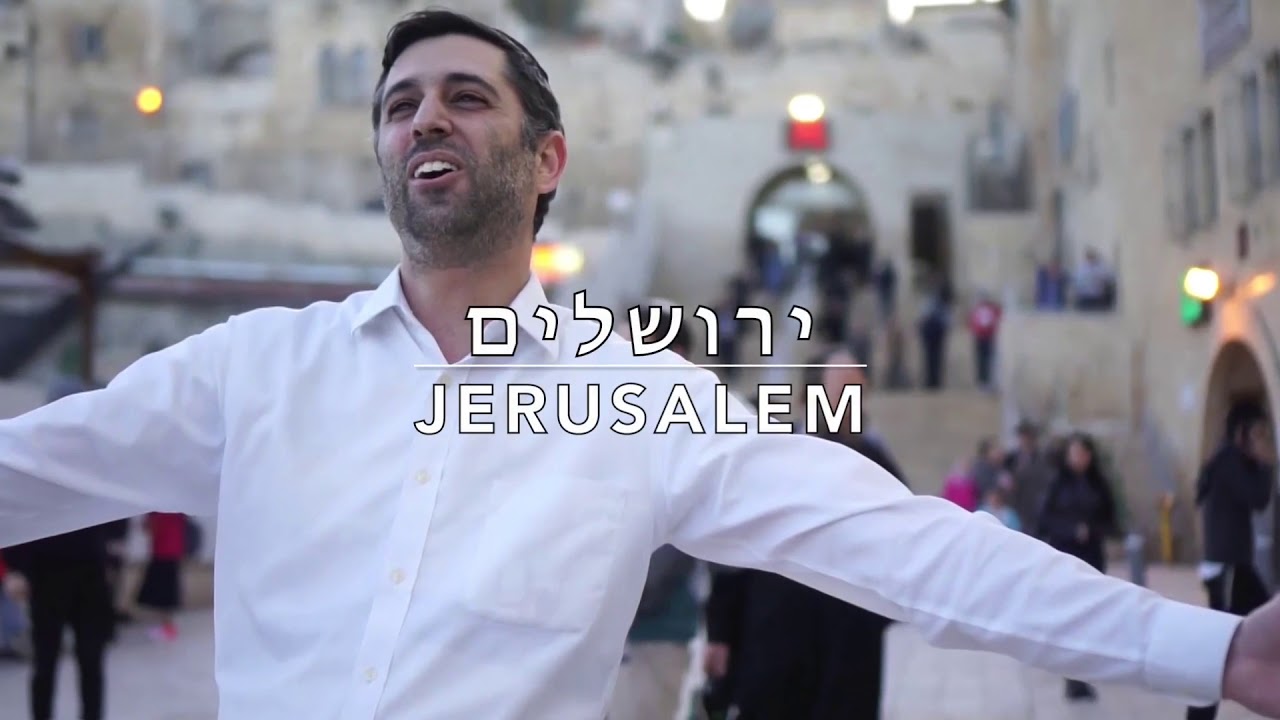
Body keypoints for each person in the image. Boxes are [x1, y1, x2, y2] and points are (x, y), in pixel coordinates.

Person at [0, 10, 1278, 719]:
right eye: (398, 104)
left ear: (546, 160)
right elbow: (30, 469)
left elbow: (909, 548)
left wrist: (1209, 651)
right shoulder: (253, 371)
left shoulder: (638, 401)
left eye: (464, 96)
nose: (424, 115)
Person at [610, 303, 701, 720]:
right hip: (595, 628)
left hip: (648, 631)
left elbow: (675, 543)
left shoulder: (688, 431)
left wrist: (615, 596)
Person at [1188, 401, 1276, 720]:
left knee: (1261, 631)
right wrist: (1266, 464)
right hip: (1226, 568)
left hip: (1235, 565)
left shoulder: (1229, 459)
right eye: (1258, 433)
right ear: (1242, 433)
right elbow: (1257, 498)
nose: (1263, 440)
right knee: (1218, 649)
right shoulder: (1228, 461)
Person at [1035, 432, 1119, 702]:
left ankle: (1082, 675)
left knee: (1089, 616)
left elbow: (1111, 519)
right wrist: (1071, 530)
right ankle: (1071, 677)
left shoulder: (1098, 484)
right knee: (1069, 617)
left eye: (1083, 453)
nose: (1079, 459)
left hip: (1091, 556)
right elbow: (1045, 519)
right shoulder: (1057, 483)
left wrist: (1091, 530)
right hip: (1065, 555)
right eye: (1074, 453)